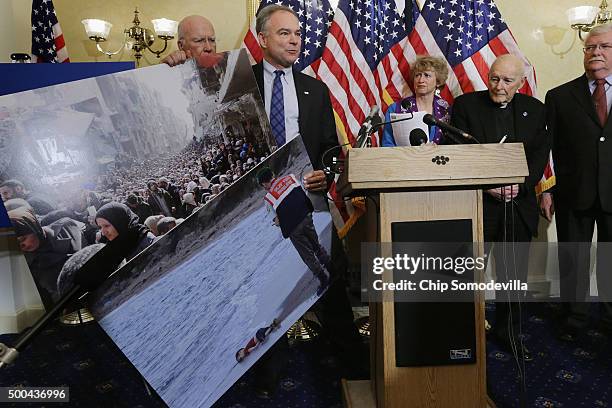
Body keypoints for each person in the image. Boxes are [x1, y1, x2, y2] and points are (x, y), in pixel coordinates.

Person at [251, 4, 366, 395]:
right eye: (284, 33)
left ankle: (352, 359)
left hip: (312, 199)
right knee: (268, 284)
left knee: (329, 276)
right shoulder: (241, 85)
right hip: (259, 208)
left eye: (298, 33)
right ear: (263, 39)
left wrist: (327, 174)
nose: (295, 40)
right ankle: (269, 367)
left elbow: (332, 150)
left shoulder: (315, 89)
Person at [450, 54, 550, 360]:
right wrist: (487, 186)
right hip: (477, 203)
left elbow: (538, 156)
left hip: (517, 205)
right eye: (494, 78)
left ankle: (508, 332)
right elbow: (458, 152)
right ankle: (462, 332)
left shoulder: (535, 110)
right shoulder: (466, 105)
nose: (499, 86)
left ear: (521, 83)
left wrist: (518, 186)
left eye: (507, 81)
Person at [542, 23, 612, 337]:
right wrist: (546, 190)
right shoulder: (558, 96)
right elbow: (548, 149)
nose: (595, 53)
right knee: (574, 256)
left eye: (604, 47)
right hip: (574, 191)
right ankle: (575, 316)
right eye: (589, 48)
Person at [256, 167, 330, 295]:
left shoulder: (268, 199)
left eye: (263, 186)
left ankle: (324, 280)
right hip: (307, 217)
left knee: (307, 256)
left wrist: (278, 221)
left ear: (264, 184)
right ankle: (331, 267)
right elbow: (302, 194)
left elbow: (277, 221)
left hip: (294, 229)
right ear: (273, 174)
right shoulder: (290, 178)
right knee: (316, 246)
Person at [8, 206, 85, 308]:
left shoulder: (68, 227)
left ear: (34, 227)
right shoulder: (26, 267)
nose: (21, 246)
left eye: (23, 239)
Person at [382, 56, 451, 146]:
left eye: (427, 75)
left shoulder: (446, 110)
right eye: (417, 75)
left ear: (438, 82)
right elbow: (387, 144)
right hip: (403, 158)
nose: (421, 80)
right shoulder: (395, 108)